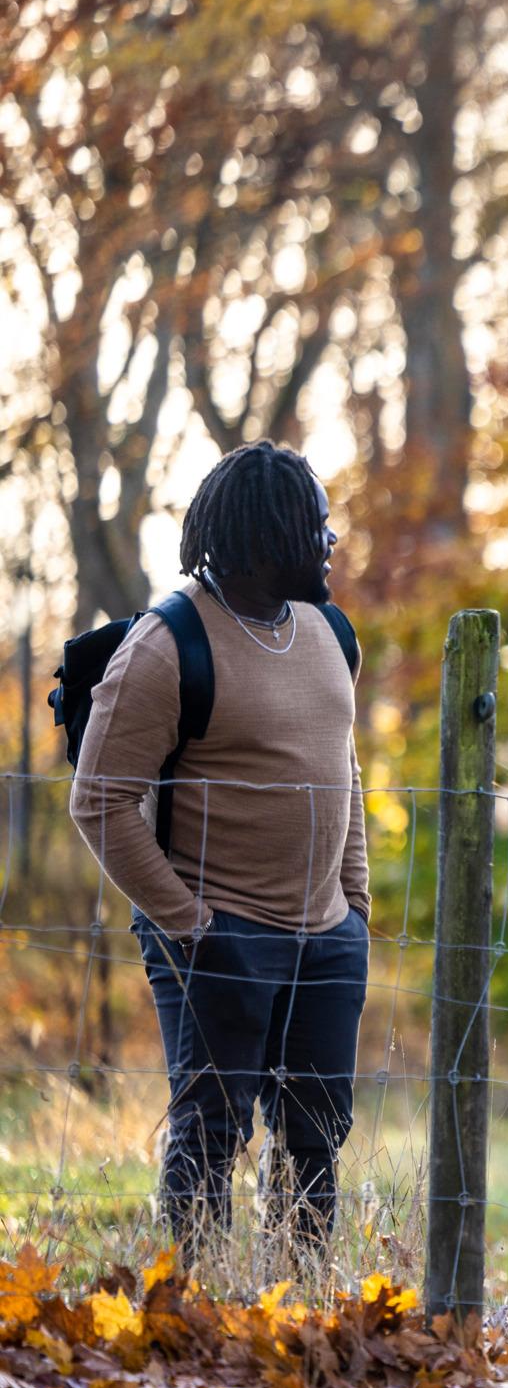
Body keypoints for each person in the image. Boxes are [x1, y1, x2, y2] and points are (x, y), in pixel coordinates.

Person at [69, 440, 370, 1269]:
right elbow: (99, 803)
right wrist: (193, 925)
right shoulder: (167, 646)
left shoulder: (331, 632)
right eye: (318, 527)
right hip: (218, 936)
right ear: (269, 538)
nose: (332, 542)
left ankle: (297, 1301)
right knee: (210, 1134)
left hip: (327, 939)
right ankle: (197, 1308)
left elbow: (341, 767)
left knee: (315, 1139)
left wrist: (355, 908)